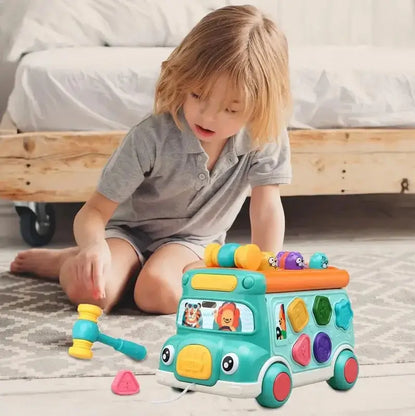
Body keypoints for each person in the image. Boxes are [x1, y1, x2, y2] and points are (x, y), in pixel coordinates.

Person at [10, 5, 292, 314]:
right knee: (91, 294)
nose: (208, 116)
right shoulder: (151, 136)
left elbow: (266, 208)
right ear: (183, 77)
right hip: (128, 232)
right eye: (198, 95)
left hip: (193, 242)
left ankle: (137, 273)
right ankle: (67, 259)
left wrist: (266, 271)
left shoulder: (265, 134)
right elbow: (92, 212)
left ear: (258, 107)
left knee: (156, 294)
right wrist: (93, 247)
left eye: (231, 109)